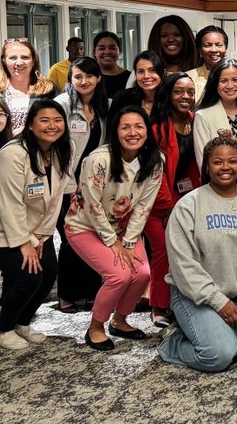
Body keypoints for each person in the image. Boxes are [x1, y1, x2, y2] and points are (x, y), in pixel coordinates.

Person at [159, 133, 237, 373]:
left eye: (232, 161)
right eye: (217, 162)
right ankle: (175, 342)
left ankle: (219, 335)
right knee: (218, 356)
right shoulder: (189, 205)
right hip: (194, 295)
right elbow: (183, 265)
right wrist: (217, 301)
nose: (225, 167)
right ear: (207, 166)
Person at [0, 99, 72, 350]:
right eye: (44, 120)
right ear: (30, 126)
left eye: (58, 120)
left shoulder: (63, 150)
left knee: (49, 273)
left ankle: (22, 322)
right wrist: (24, 243)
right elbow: (8, 204)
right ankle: (2, 329)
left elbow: (55, 199)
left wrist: (42, 237)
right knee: (29, 277)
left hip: (33, 227)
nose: (52, 126)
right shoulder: (13, 154)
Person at [64, 105, 163, 350]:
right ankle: (95, 327)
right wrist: (113, 242)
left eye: (139, 126)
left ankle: (120, 321)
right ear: (115, 131)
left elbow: (143, 206)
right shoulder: (100, 159)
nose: (133, 132)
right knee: (118, 275)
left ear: (147, 131)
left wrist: (128, 242)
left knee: (141, 274)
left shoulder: (155, 160)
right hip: (84, 226)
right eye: (125, 127)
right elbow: (92, 204)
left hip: (123, 227)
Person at [53, 56, 110, 313]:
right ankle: (66, 294)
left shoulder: (105, 107)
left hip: (92, 185)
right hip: (64, 182)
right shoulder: (62, 104)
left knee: (91, 236)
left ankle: (88, 292)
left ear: (98, 78)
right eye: (77, 77)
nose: (83, 81)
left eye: (89, 76)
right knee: (69, 239)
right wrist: (70, 183)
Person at [146, 72, 201, 328]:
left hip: (186, 195)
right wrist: (168, 207)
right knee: (164, 252)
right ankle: (159, 305)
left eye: (190, 92)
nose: (186, 97)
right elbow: (154, 174)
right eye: (179, 91)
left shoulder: (194, 120)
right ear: (168, 93)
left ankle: (185, 300)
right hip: (157, 201)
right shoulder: (157, 127)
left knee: (190, 249)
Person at [0, 38, 56, 137]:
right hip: (3, 149)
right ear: (4, 61)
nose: (19, 63)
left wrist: (28, 129)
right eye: (13, 58)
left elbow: (58, 121)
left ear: (33, 60)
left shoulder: (48, 89)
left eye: (25, 57)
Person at [194, 58, 237, 169]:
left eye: (235, 80)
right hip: (220, 183)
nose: (230, 86)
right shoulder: (203, 116)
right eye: (223, 81)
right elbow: (203, 163)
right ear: (215, 83)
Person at [109, 50, 167, 119]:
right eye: (141, 71)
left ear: (163, 73)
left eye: (152, 70)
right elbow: (112, 127)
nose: (146, 76)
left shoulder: (170, 99)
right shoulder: (122, 97)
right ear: (135, 74)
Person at [190, 26, 229, 103]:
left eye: (219, 45)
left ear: (226, 47)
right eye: (208, 45)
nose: (214, 50)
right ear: (199, 50)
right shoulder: (189, 77)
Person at [93, 31, 132, 97]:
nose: (107, 52)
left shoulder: (130, 78)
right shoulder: (88, 77)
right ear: (94, 52)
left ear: (120, 50)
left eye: (112, 48)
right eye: (102, 48)